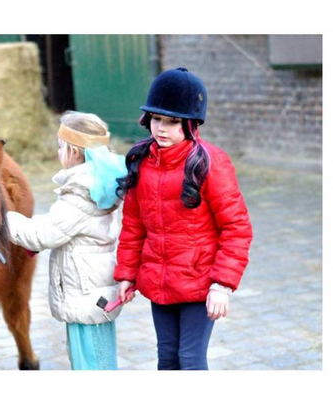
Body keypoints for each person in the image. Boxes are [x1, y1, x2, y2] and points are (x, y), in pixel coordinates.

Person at [114, 67, 253, 370]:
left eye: (173, 122)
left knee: (190, 360)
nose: (161, 128)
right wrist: (126, 272)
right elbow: (133, 226)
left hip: (200, 281)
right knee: (167, 357)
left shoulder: (210, 163)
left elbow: (237, 227)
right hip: (159, 280)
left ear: (190, 124)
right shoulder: (141, 161)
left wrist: (221, 285)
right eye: (156, 119)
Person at [6, 111, 128, 370]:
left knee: (88, 362)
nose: (58, 151)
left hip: (84, 292)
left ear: (73, 152)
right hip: (95, 288)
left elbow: (46, 234)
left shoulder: (81, 193)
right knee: (101, 357)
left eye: (61, 146)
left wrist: (4, 219)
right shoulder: (100, 184)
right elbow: (57, 224)